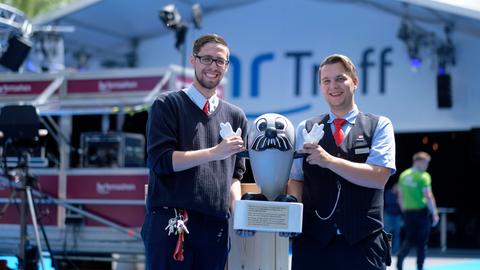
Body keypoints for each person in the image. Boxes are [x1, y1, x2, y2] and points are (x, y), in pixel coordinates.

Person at [141, 33, 247, 270]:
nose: (213, 66)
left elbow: (235, 175)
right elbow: (161, 161)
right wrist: (215, 152)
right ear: (193, 61)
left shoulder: (236, 116)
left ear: (227, 66)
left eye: (220, 61)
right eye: (207, 59)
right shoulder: (167, 105)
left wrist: (239, 214)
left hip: (215, 228)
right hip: (172, 224)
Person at [287, 53, 396, 270]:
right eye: (326, 81)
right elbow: (296, 179)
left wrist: (328, 160)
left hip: (363, 242)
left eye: (340, 78)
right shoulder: (305, 128)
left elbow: (379, 177)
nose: (333, 86)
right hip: (313, 242)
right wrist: (291, 217)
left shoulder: (379, 125)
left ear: (354, 82)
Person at [396, 151, 439, 270]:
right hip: (421, 213)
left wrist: (404, 210)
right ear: (418, 162)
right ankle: (420, 267)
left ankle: (399, 261)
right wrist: (435, 213)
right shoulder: (424, 176)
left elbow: (400, 195)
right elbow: (428, 195)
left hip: (408, 213)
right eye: (425, 163)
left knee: (409, 240)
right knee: (422, 242)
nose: (427, 166)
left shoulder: (404, 175)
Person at [384, 183, 403, 254]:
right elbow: (388, 202)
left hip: (397, 216)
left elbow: (402, 203)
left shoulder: (400, 194)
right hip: (388, 215)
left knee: (397, 233)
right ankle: (386, 249)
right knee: (387, 233)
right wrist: (398, 200)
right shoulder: (388, 192)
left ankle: (395, 250)